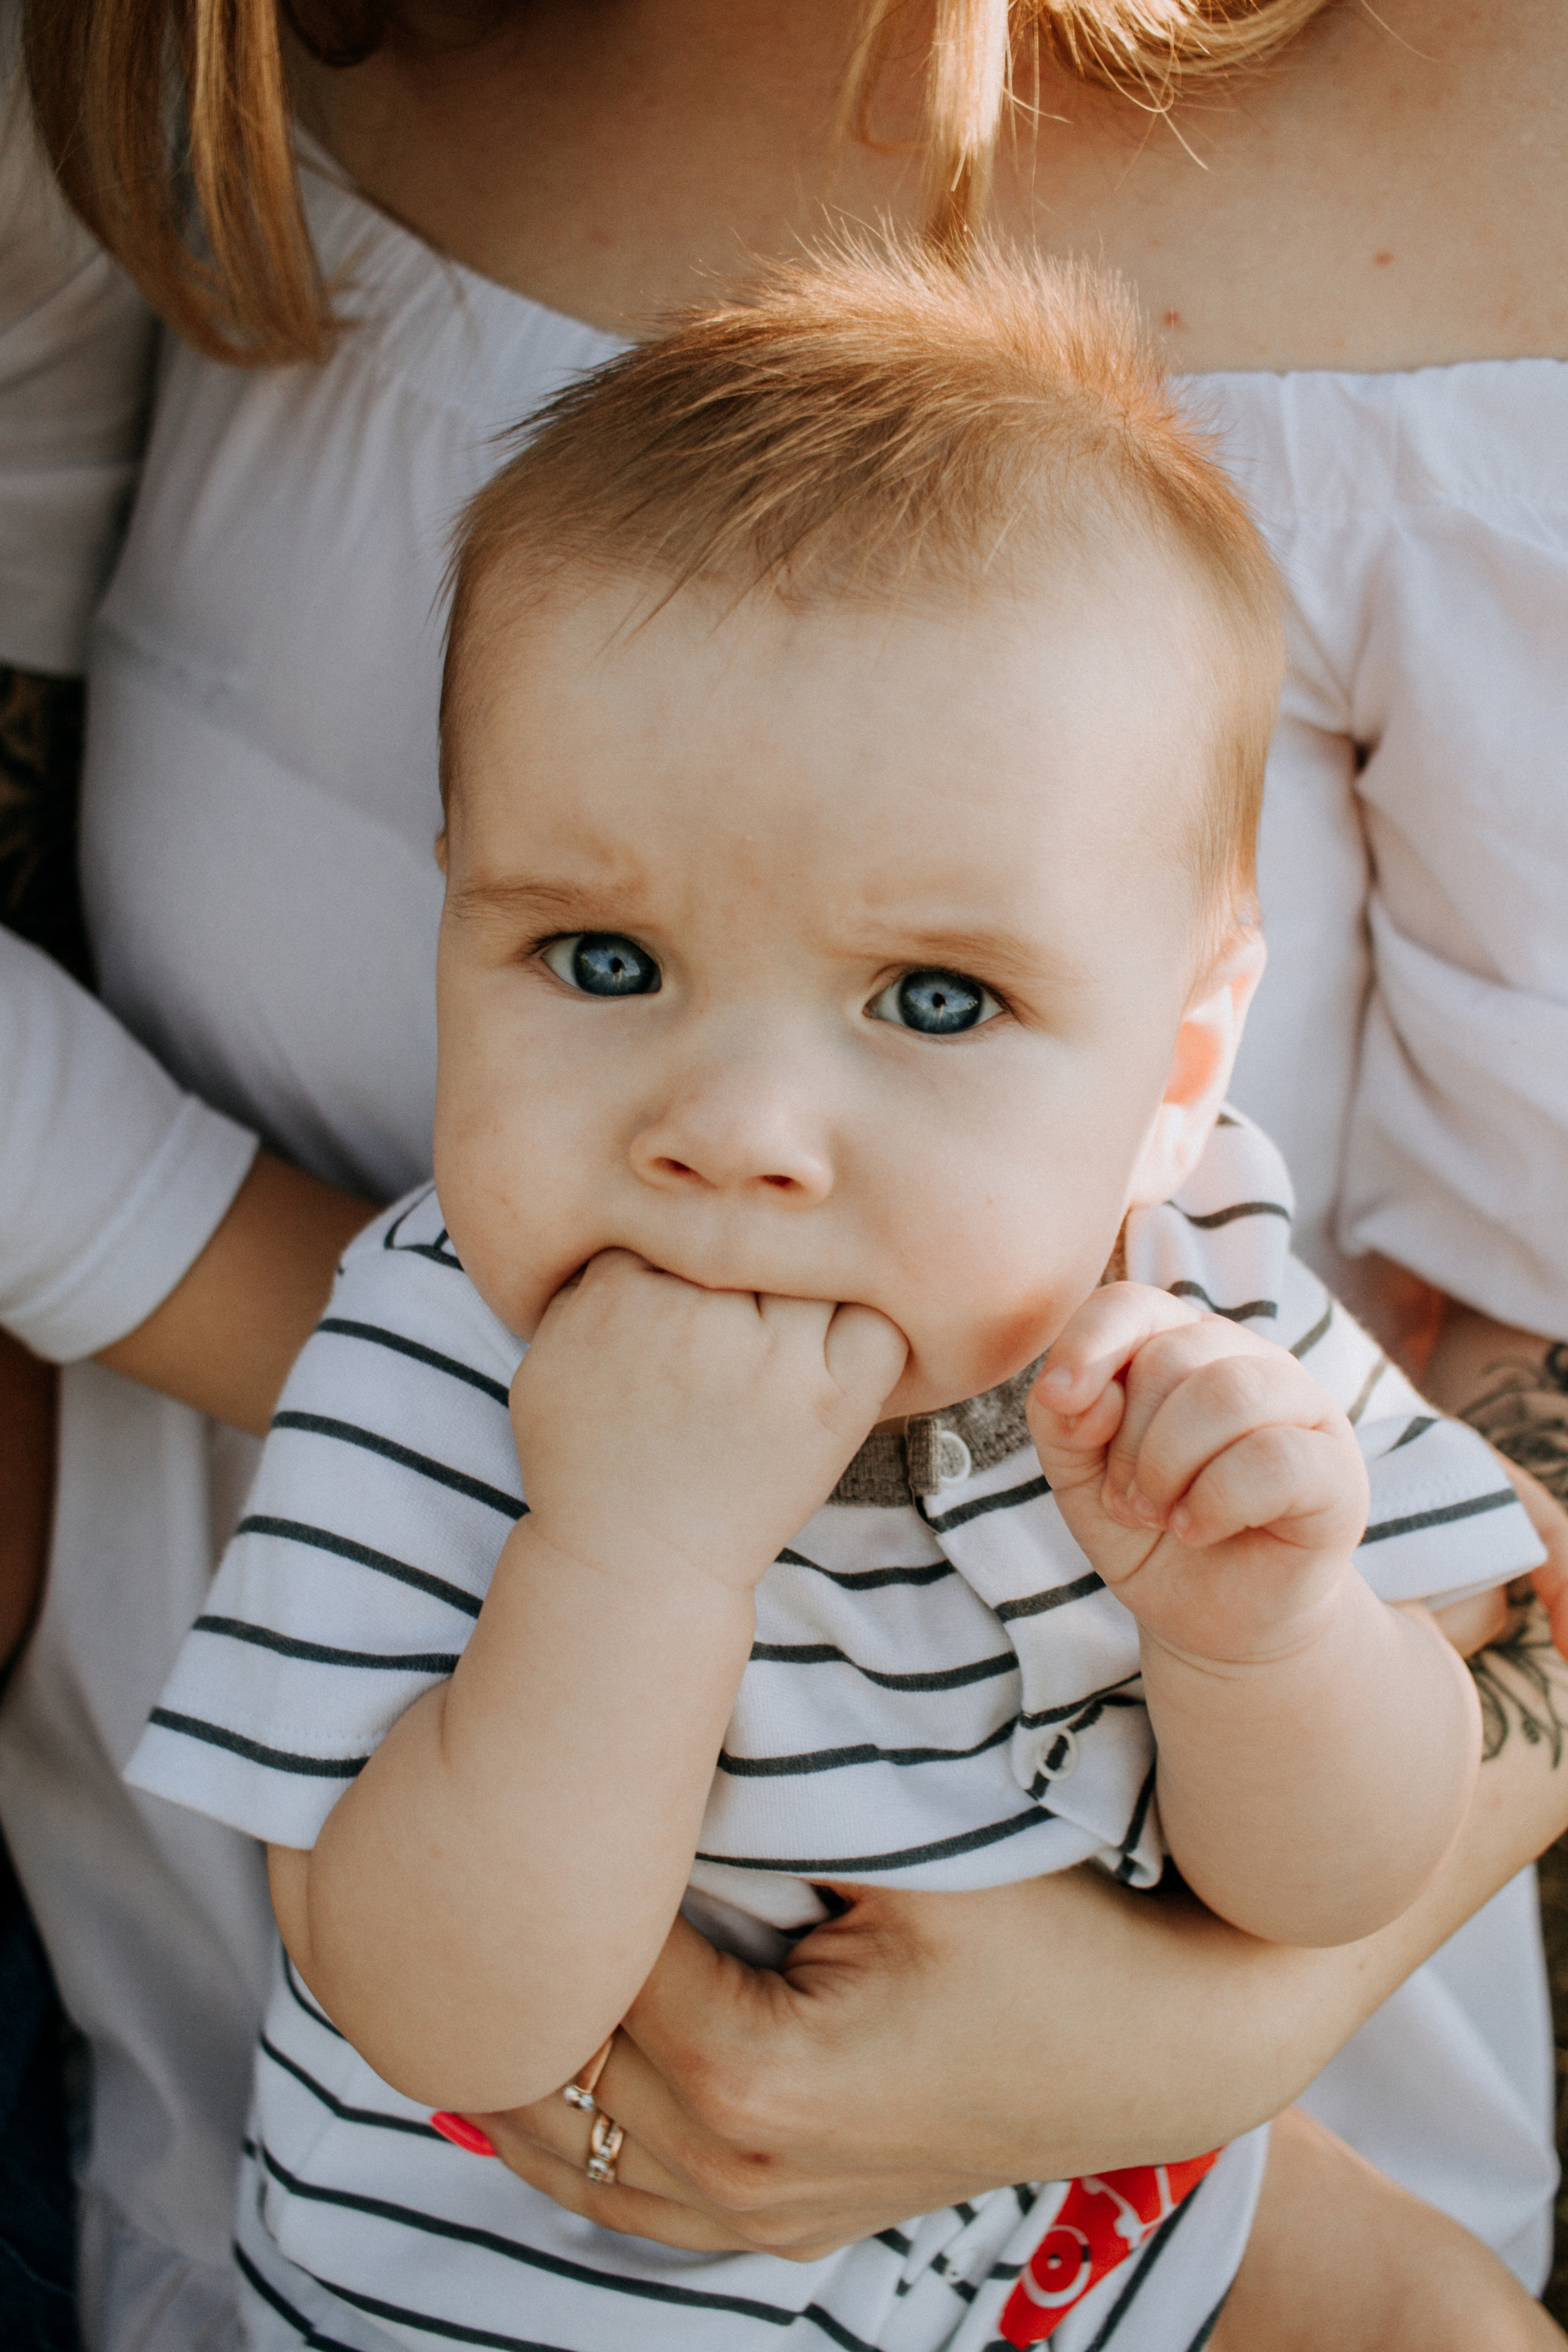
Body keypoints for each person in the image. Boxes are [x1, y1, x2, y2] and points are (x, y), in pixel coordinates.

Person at [3, 1, 1568, 2345]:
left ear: (1181, 1062)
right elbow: (436, 2002)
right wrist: (630, 1549)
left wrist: (1269, 1645)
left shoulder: (1192, 1305)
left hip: (1104, 2256)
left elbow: (1347, 1861)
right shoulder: (446, 1361)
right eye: (600, 958)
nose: (734, 1122)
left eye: (931, 1001)